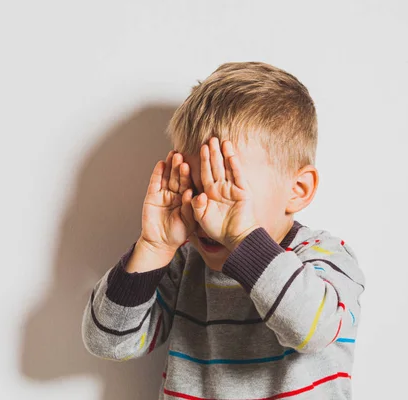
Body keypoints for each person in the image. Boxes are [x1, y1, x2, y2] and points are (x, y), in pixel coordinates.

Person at [82, 62, 366, 399]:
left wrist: (244, 237)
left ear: (298, 190)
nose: (205, 210)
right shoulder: (186, 265)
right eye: (195, 188)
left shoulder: (324, 256)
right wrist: (155, 247)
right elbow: (109, 342)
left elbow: (310, 330)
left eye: (227, 190)